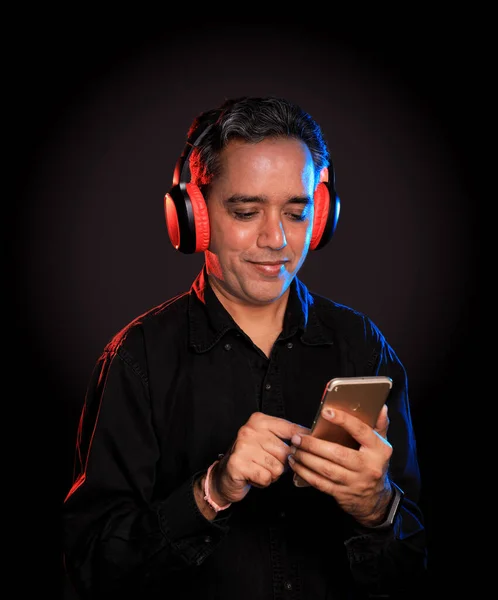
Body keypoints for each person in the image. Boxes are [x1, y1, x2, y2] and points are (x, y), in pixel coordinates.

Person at [62, 96, 428, 599]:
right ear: (194, 216)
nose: (276, 238)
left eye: (296, 213)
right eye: (246, 211)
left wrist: (376, 506)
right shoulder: (136, 358)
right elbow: (90, 569)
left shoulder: (363, 346)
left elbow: (412, 569)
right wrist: (211, 491)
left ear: (320, 217)